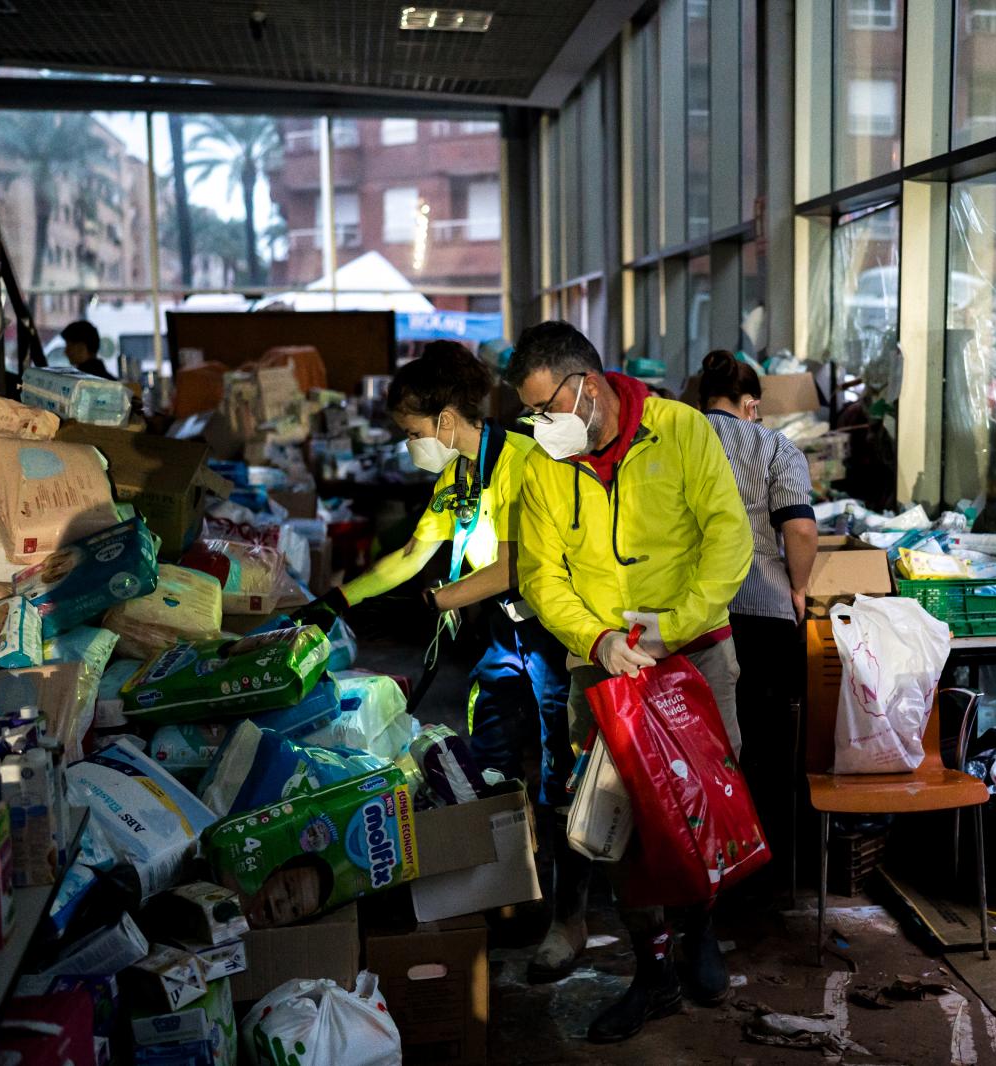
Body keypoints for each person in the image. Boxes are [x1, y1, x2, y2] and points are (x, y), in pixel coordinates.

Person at [507, 321, 753, 1043]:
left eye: (545, 409)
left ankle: (699, 933)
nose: (538, 426)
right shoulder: (542, 462)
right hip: (603, 662)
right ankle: (652, 972)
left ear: (586, 386)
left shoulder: (680, 432)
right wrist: (598, 638)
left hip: (692, 650)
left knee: (704, 806)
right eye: (529, 415)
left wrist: (673, 627)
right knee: (613, 823)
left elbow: (727, 537)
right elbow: (540, 573)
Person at [292, 340, 572, 903]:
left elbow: (518, 564)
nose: (409, 442)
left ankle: (564, 895)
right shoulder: (457, 477)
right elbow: (411, 555)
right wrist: (336, 601)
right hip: (499, 633)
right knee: (489, 759)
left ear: (445, 420)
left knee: (555, 764)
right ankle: (501, 887)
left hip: (550, 633)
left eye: (412, 430)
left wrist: (438, 602)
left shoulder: (523, 460)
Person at [696, 350, 816, 857]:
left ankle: (705, 856)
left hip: (694, 613)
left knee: (699, 744)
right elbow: (801, 528)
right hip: (764, 610)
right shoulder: (775, 446)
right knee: (765, 745)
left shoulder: (681, 439)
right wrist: (799, 585)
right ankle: (760, 861)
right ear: (749, 404)